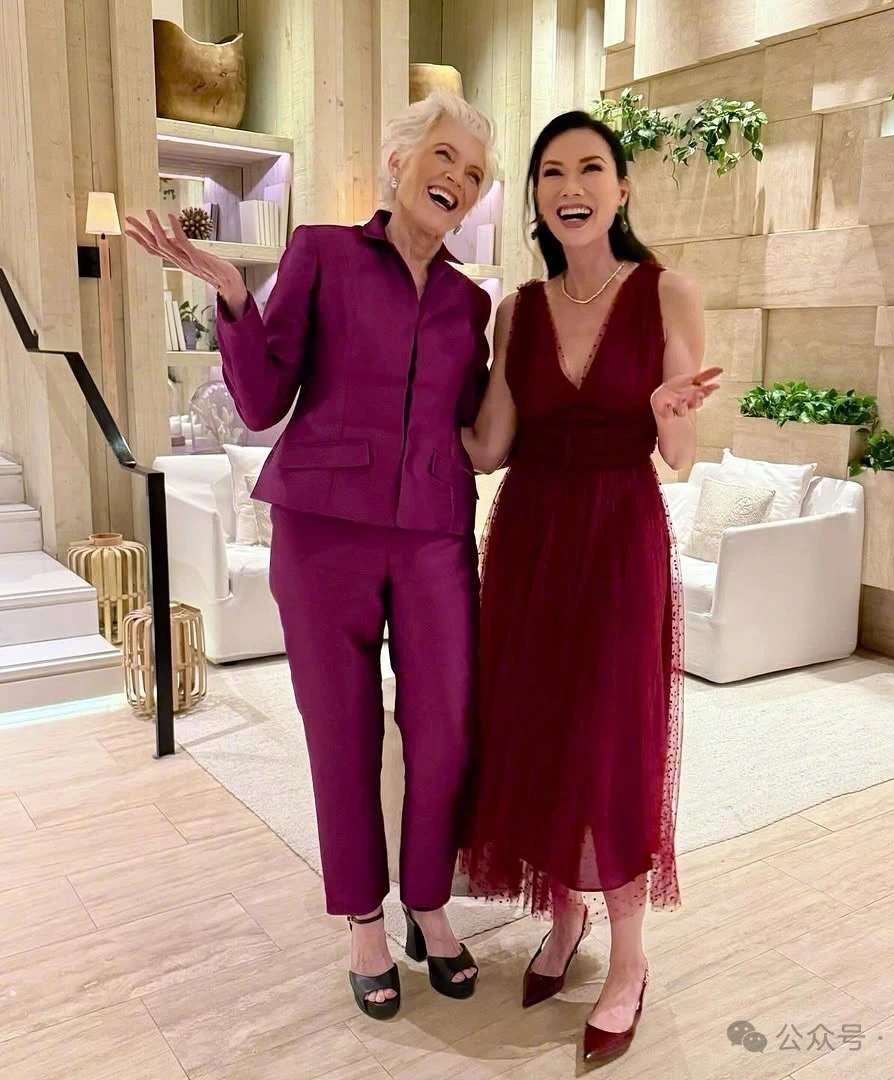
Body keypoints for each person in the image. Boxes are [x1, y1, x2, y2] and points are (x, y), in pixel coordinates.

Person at [124, 91, 498, 1020]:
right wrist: (234, 297)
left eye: (475, 173)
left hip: (436, 532)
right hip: (323, 530)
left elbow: (477, 424)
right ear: (399, 161)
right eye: (444, 157)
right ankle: (365, 918)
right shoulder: (322, 253)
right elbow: (260, 401)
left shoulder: (470, 302)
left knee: (447, 726)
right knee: (342, 732)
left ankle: (427, 901)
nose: (457, 180)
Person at [459, 109, 720, 1063]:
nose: (571, 187)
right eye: (552, 172)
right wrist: (390, 407)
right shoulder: (517, 310)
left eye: (590, 169)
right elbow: (491, 444)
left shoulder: (667, 292)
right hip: (528, 538)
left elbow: (680, 454)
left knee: (610, 737)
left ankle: (629, 959)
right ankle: (562, 918)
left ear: (621, 189)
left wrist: (664, 409)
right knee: (535, 724)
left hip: (616, 540)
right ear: (536, 196)